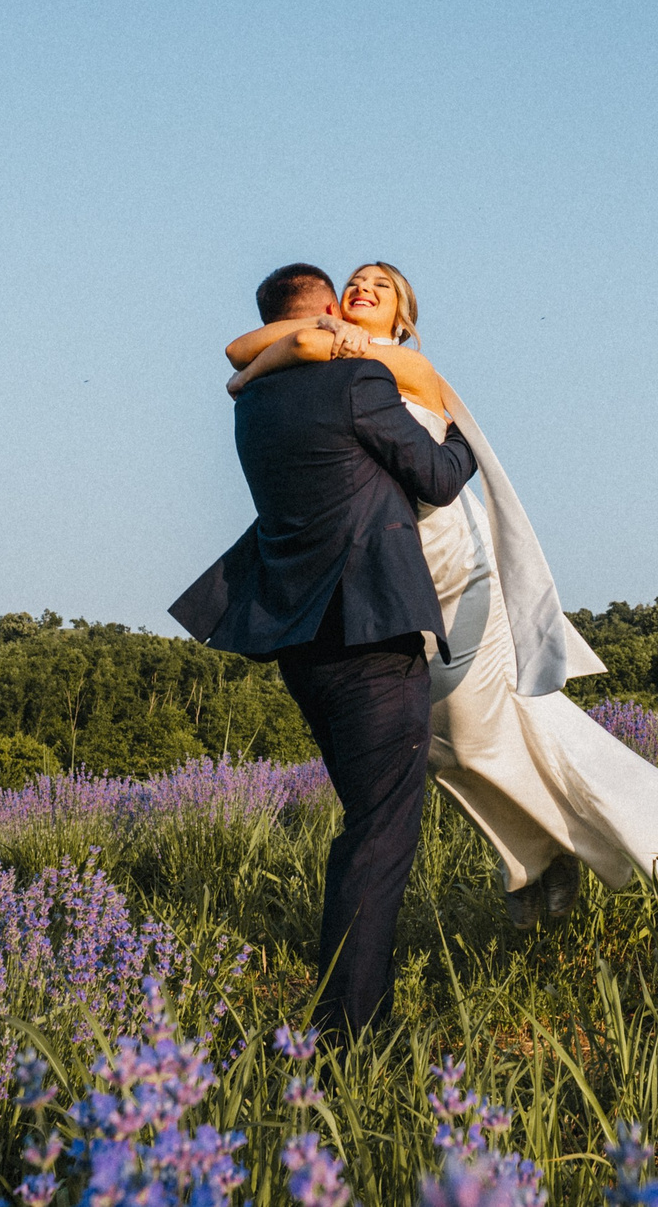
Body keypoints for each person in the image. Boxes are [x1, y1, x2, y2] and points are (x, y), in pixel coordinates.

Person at [221, 261, 658, 964]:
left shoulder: (396, 364)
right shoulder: (338, 361)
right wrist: (282, 349)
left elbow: (270, 350)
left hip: (454, 573)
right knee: (462, 751)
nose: (363, 289)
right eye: (355, 281)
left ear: (402, 319)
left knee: (500, 740)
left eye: (381, 286)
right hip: (401, 583)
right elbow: (246, 347)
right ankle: (548, 859)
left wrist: (266, 363)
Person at [169, 261, 479, 1036]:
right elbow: (438, 477)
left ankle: (348, 1012)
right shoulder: (358, 379)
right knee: (379, 835)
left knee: (364, 827)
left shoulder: (253, 403)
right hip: (371, 630)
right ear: (329, 310)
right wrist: (467, 437)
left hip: (299, 643)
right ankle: (351, 1032)